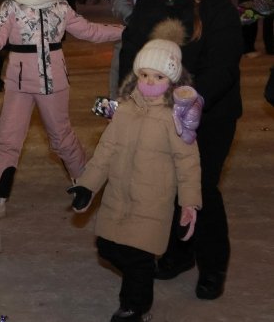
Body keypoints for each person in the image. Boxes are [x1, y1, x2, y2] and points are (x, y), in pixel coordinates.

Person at [119, 0, 242, 301]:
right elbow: (131, 56)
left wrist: (192, 99)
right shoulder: (149, 7)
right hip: (156, 115)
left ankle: (213, 264)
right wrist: (126, 98)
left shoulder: (215, 9)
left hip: (208, 116)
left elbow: (223, 66)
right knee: (166, 187)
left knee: (198, 187)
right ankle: (179, 252)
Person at [69, 27, 202, 322]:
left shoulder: (175, 118)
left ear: (172, 80)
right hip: (118, 194)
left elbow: (188, 163)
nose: (150, 82)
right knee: (107, 247)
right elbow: (106, 151)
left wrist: (189, 204)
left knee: (139, 257)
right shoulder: (126, 109)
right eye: (144, 75)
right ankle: (140, 280)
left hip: (152, 200)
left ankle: (134, 308)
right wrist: (87, 186)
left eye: (159, 76)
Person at [0, 0, 123, 213]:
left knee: (62, 137)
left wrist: (124, 31)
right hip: (19, 83)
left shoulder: (60, 7)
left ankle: (86, 185)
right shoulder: (10, 7)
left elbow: (90, 30)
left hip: (54, 82)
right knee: (7, 139)